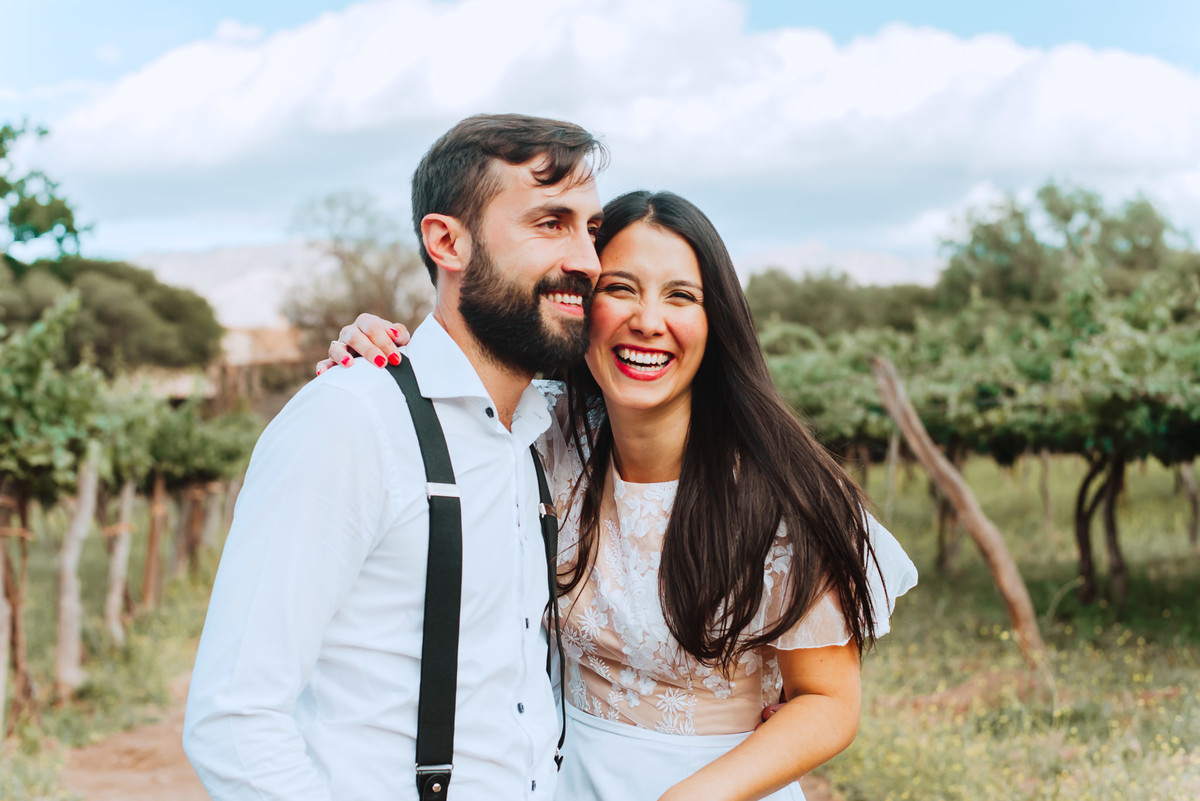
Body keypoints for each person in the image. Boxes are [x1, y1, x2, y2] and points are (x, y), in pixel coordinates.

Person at [325, 190, 918, 800]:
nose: (648, 320)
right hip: (558, 777)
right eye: (620, 288)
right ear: (581, 304)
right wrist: (384, 351)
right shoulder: (538, 435)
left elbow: (828, 703)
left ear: (717, 325)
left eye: (681, 296)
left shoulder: (784, 495)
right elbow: (443, 388)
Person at [183, 113, 608, 800]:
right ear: (447, 241)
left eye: (591, 229)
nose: (587, 259)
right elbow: (234, 718)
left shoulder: (547, 430)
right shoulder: (351, 418)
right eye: (550, 223)